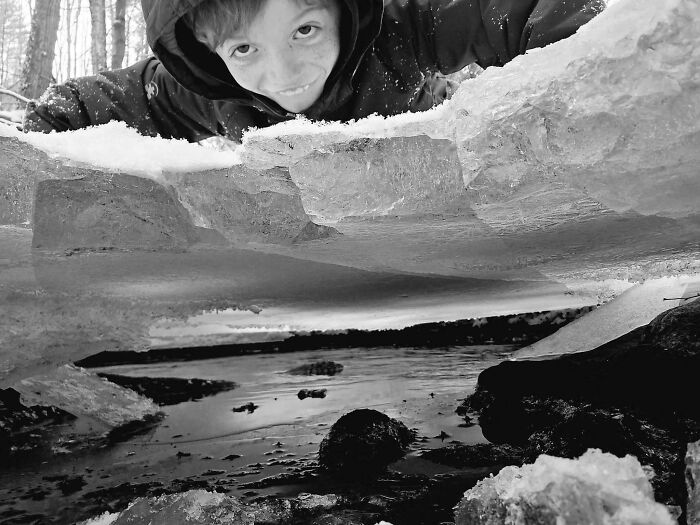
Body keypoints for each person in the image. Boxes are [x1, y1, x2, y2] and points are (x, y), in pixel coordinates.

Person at [23, 0, 605, 143]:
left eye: (304, 30)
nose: (284, 76)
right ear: (206, 52)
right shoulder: (202, 88)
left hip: (430, 119)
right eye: (244, 49)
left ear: (342, 11)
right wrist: (33, 138)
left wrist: (590, 87)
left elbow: (521, 9)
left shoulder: (397, 26)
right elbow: (104, 100)